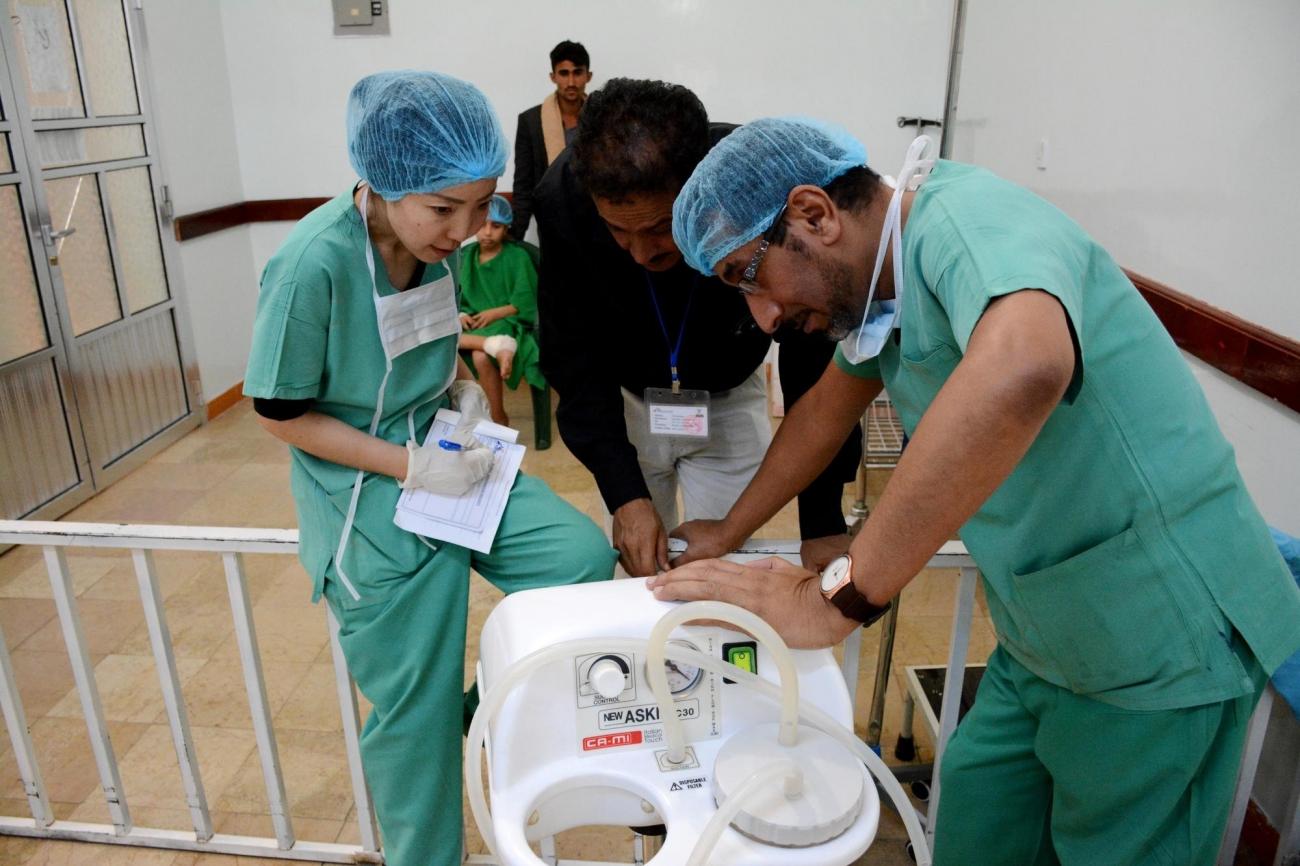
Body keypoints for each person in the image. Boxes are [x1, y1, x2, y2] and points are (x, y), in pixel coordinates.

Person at [654, 117, 1300, 865]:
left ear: (814, 215)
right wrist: (728, 531)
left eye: (747, 275)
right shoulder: (879, 300)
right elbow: (820, 417)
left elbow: (1024, 365)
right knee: (976, 811)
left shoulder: (971, 222)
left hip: (1156, 633)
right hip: (1043, 634)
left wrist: (836, 599)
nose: (762, 318)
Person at [242, 71, 615, 866]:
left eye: (481, 205)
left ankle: (474, 709)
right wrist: (406, 466)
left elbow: (432, 350)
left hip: (445, 453)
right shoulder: (312, 264)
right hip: (363, 493)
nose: (465, 228)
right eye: (445, 208)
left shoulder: (435, 254)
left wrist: (462, 406)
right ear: (382, 181)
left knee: (582, 561)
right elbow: (279, 413)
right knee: (413, 731)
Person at [535, 78, 862, 578]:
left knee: (732, 568)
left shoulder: (749, 182)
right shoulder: (562, 199)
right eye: (618, 231)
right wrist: (624, 494)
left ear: (699, 186)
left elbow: (812, 356)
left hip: (727, 397)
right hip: (628, 404)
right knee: (638, 570)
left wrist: (820, 517)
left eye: (659, 228)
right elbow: (572, 354)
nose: (642, 254)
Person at [457, 194, 545, 426]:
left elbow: (525, 302)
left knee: (476, 353)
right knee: (460, 345)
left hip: (508, 323)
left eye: (495, 226)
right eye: (482, 224)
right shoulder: (467, 256)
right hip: (475, 327)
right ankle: (495, 347)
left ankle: (496, 418)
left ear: (506, 227)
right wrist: (462, 314)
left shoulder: (517, 257)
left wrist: (494, 313)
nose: (487, 232)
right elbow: (457, 297)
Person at [510, 40, 592, 241]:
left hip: (596, 218)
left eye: (577, 72)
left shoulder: (602, 117)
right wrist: (515, 235)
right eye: (564, 73)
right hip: (552, 220)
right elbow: (524, 182)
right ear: (553, 76)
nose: (571, 82)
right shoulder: (531, 121)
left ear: (588, 76)